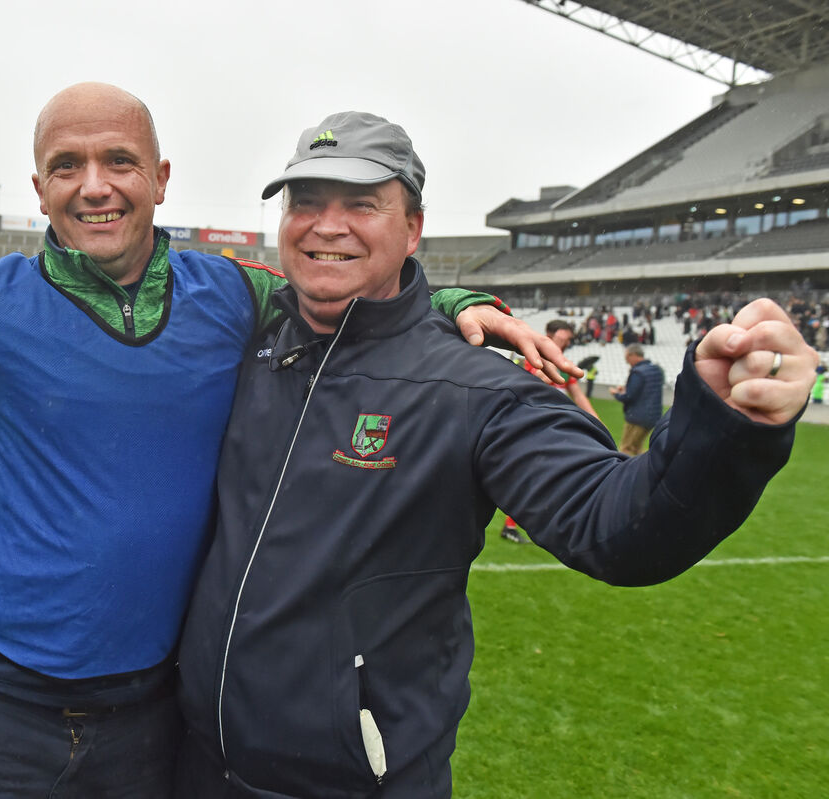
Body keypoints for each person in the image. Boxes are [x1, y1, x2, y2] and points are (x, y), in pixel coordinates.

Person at [0, 48, 579, 797]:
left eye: (118, 160)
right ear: (40, 187)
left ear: (161, 177)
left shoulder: (235, 297)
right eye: (67, 166)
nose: (95, 184)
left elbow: (353, 289)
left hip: (156, 720)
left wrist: (452, 296)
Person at [164, 111, 812, 797]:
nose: (327, 225)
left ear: (412, 228)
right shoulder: (254, 343)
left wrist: (724, 426)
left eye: (361, 204)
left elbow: (618, 525)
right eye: (306, 202)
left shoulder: (475, 381)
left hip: (353, 783)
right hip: (201, 766)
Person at [499, 318, 596, 543]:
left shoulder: (564, 362)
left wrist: (596, 420)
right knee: (527, 473)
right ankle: (514, 525)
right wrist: (540, 377)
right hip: (529, 423)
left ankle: (536, 523)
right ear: (552, 333)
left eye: (568, 335)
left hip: (553, 426)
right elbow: (528, 381)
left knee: (543, 473)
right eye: (564, 333)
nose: (567, 337)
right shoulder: (533, 355)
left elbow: (578, 395)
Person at [611, 343, 665, 456]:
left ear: (633, 355)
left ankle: (627, 473)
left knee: (627, 449)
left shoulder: (638, 372)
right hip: (653, 417)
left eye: (627, 358)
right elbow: (648, 390)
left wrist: (616, 393)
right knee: (637, 447)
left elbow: (629, 396)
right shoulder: (656, 370)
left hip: (637, 417)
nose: (627, 362)